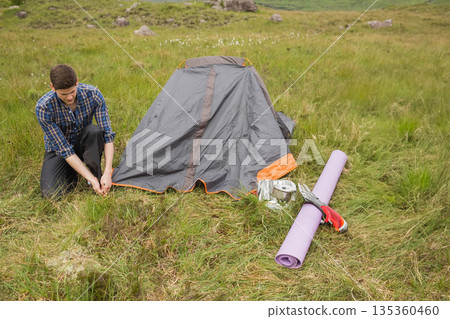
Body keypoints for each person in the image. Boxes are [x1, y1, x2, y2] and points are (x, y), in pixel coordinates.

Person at [36, 64, 115, 198]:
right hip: (59, 151)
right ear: (52, 87)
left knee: (95, 131)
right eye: (63, 94)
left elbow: (107, 136)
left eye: (72, 91)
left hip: (84, 143)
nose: (69, 98)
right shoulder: (44, 107)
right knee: (52, 194)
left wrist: (108, 172)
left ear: (77, 81)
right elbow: (64, 150)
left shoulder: (94, 94)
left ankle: (98, 175)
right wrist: (89, 178)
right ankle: (77, 174)